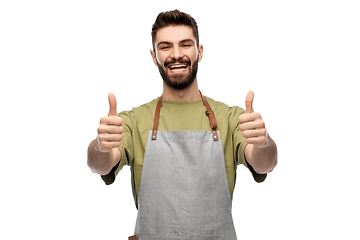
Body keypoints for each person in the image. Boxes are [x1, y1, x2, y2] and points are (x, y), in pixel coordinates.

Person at [87, 9, 277, 240]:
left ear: (200, 51)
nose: (176, 55)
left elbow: (264, 164)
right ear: (153, 56)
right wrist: (101, 146)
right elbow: (101, 166)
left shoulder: (230, 117)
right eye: (165, 47)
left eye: (185, 44)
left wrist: (263, 142)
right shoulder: (134, 120)